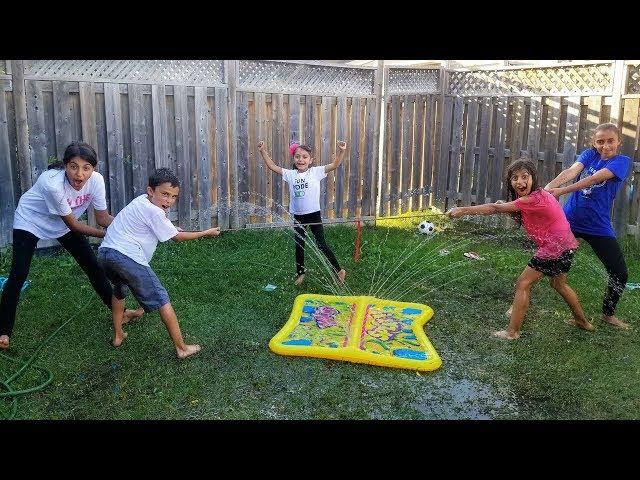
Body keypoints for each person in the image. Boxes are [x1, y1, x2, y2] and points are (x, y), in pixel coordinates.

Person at [0, 141, 143, 350]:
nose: (80, 174)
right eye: (74, 166)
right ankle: (3, 331)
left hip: (62, 224)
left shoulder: (96, 181)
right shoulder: (52, 184)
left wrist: (128, 227)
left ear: (93, 169)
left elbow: (102, 217)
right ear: (65, 166)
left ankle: (120, 314)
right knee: (18, 275)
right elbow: (74, 225)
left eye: (86, 168)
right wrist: (108, 235)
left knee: (93, 267)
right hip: (31, 221)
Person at [446, 156, 594, 340]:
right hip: (566, 246)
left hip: (554, 248)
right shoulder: (540, 194)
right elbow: (522, 213)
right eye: (514, 178)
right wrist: (506, 207)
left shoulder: (532, 199)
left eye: (525, 176)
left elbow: (493, 209)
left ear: (533, 178)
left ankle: (512, 332)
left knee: (523, 283)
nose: (520, 181)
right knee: (559, 284)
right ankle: (582, 322)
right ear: (510, 181)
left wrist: (462, 210)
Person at [97, 167, 220, 359]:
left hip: (105, 254)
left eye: (173, 196)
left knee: (120, 290)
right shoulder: (155, 212)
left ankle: (118, 335)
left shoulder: (140, 202)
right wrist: (206, 233)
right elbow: (177, 237)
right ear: (151, 190)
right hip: (126, 257)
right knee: (162, 298)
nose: (169, 201)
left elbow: (155, 225)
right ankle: (181, 348)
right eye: (164, 194)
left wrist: (170, 227)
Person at [545, 123, 632, 329]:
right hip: (569, 222)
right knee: (545, 264)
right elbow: (571, 171)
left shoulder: (622, 161)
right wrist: (550, 187)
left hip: (598, 226)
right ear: (594, 143)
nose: (605, 146)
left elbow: (594, 179)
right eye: (600, 141)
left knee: (620, 272)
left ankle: (608, 314)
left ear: (619, 141)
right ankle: (520, 298)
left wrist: (562, 191)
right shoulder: (588, 155)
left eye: (610, 141)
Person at [257, 140, 347, 286]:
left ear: (311, 160)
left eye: (305, 157)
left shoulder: (316, 172)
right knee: (299, 245)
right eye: (298, 156)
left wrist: (342, 151)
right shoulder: (290, 174)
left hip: (313, 214)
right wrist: (262, 151)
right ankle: (300, 273)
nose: (301, 160)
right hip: (298, 216)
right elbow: (272, 166)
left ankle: (339, 271)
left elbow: (334, 165)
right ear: (294, 159)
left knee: (321, 244)